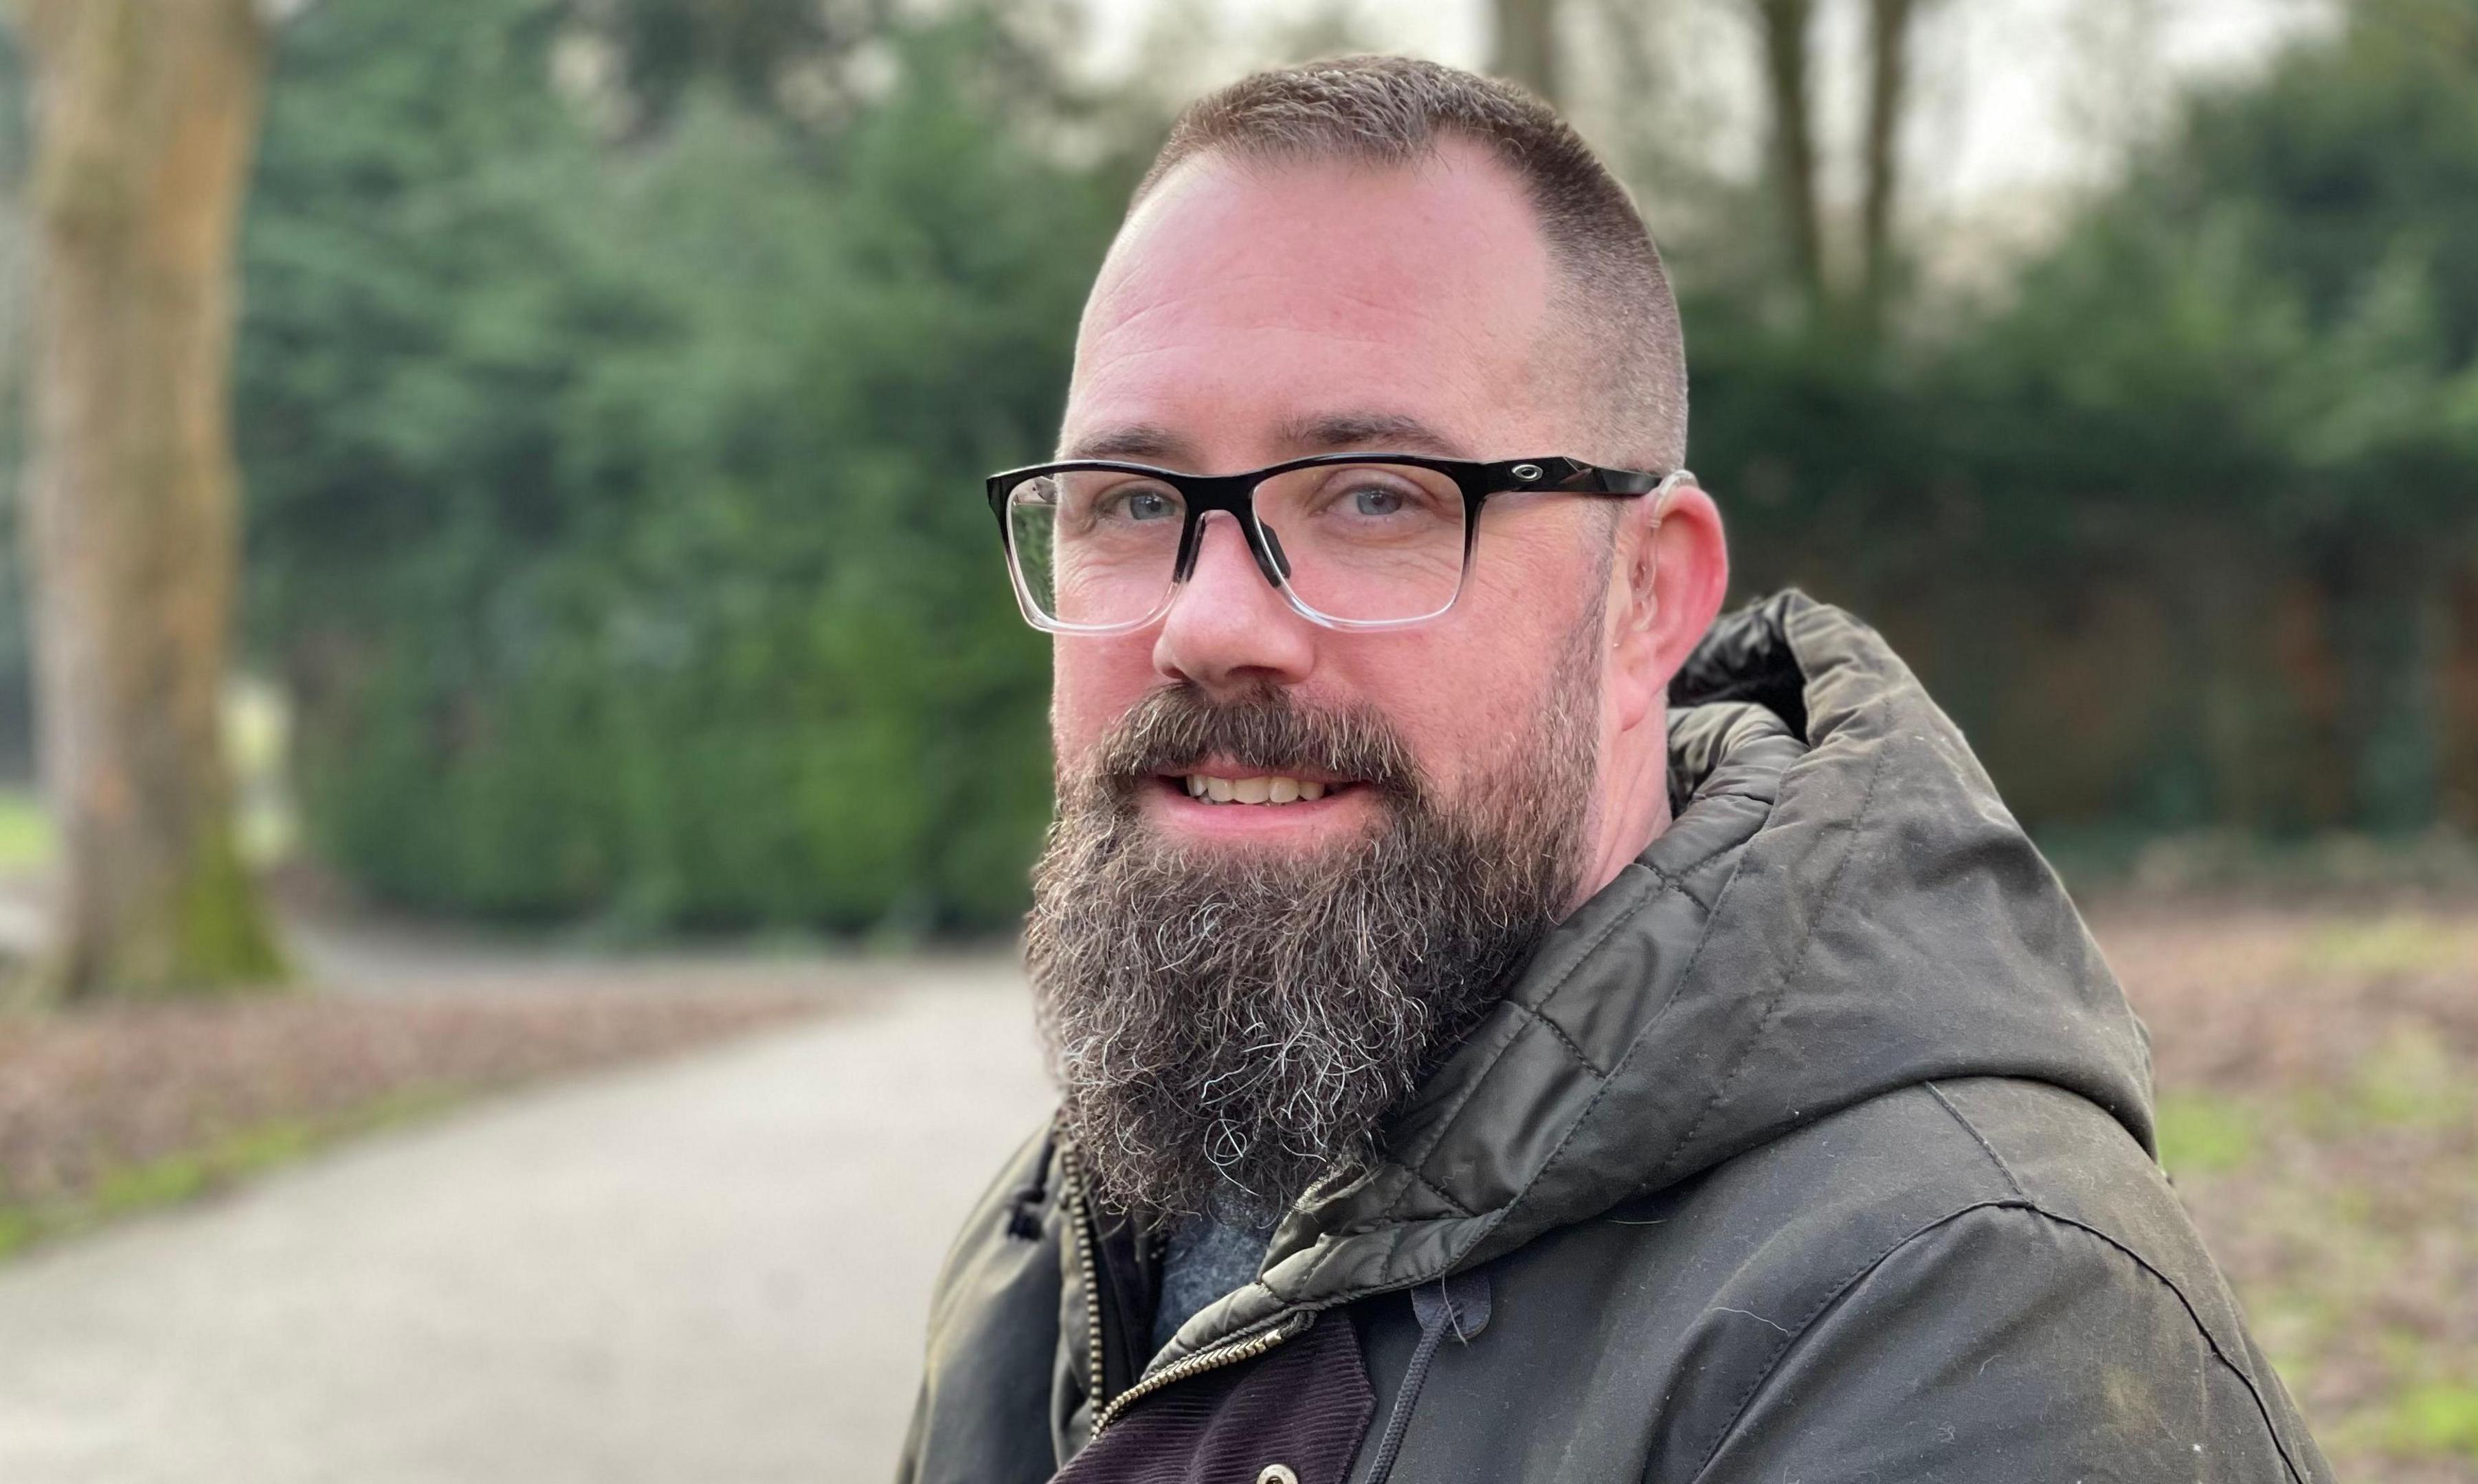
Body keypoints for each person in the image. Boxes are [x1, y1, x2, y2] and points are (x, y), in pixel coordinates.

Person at [900, 55, 2332, 1484]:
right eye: (1133, 503)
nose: (1206, 623)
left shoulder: (1969, 1318)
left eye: (1377, 496)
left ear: (1649, 595)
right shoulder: (1053, 1241)